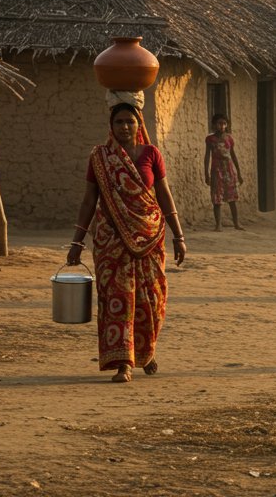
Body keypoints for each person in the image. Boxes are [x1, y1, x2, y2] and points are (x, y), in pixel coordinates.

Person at [67, 101, 186, 383]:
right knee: (118, 300)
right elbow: (88, 201)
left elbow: (164, 195)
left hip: (150, 236)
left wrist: (178, 235)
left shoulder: (151, 153)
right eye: (119, 122)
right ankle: (124, 363)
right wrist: (77, 241)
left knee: (151, 299)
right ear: (111, 126)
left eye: (129, 122)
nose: (124, 127)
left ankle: (146, 352)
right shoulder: (100, 157)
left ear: (138, 124)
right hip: (111, 239)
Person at [203, 113, 243, 231]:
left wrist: (239, 172)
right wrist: (206, 173)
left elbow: (233, 155)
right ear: (214, 125)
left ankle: (236, 223)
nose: (222, 126)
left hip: (229, 170)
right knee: (217, 198)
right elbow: (207, 156)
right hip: (216, 170)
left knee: (232, 198)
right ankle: (218, 225)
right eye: (219, 123)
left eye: (224, 123)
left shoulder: (229, 138)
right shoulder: (210, 139)